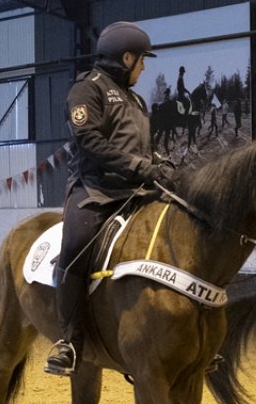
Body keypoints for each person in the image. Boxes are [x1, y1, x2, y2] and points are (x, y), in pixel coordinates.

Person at [45, 21, 173, 376]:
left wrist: (158, 163)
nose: (144, 68)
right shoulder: (87, 90)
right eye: (142, 61)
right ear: (127, 57)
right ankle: (68, 340)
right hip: (96, 191)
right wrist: (138, 166)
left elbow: (142, 147)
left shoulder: (136, 99)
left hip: (137, 191)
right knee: (76, 247)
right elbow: (91, 142)